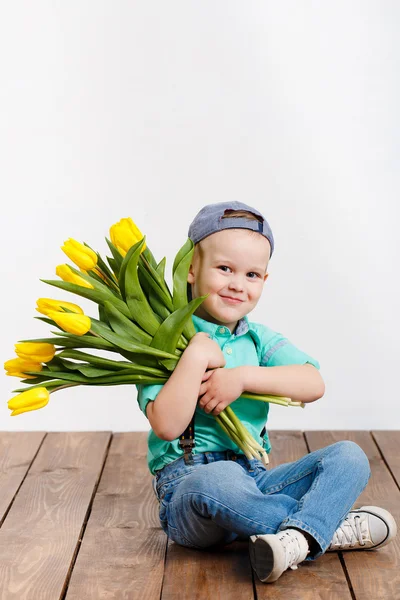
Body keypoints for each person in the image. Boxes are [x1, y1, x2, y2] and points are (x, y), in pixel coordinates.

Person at [136, 201, 397, 584]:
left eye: (252, 274)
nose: (238, 284)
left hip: (255, 479)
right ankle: (323, 529)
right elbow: (166, 426)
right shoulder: (163, 337)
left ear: (264, 280)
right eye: (224, 268)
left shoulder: (258, 340)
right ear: (190, 269)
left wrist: (241, 378)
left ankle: (296, 536)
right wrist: (192, 358)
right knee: (218, 477)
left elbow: (313, 384)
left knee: (349, 456)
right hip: (190, 495)